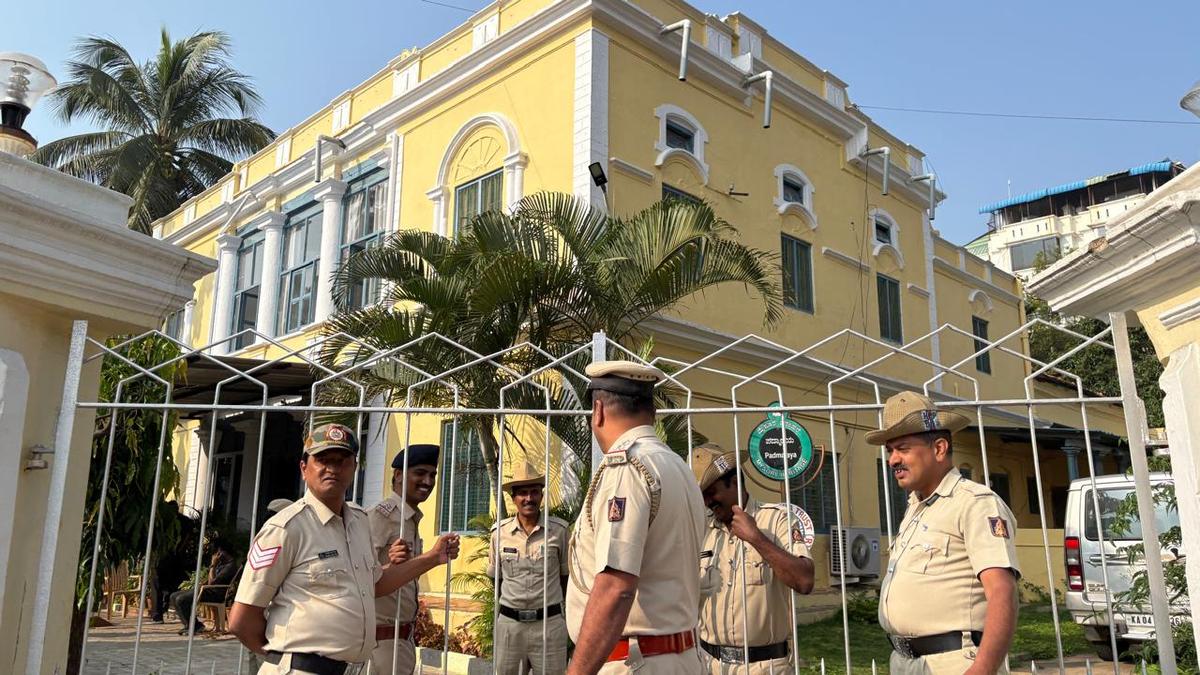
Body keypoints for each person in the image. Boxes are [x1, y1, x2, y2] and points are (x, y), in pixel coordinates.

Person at [227, 424, 460, 675]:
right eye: (323, 460)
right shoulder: (286, 528)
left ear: (354, 468)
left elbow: (375, 583)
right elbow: (242, 620)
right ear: (304, 469)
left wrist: (434, 557)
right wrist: (284, 660)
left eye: (342, 461)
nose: (332, 469)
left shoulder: (358, 522)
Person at [566, 360, 707, 674]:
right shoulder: (676, 467)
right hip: (680, 656)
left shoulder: (627, 469)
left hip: (636, 661)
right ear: (652, 413)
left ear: (598, 410)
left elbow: (616, 587)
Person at [871, 392, 1021, 675]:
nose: (892, 460)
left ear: (939, 448)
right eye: (890, 450)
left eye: (902, 448)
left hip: (953, 662)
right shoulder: (916, 508)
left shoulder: (974, 503)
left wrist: (984, 668)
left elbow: (1003, 592)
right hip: (906, 662)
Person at [691, 443, 815, 674]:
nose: (707, 501)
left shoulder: (777, 520)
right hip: (710, 665)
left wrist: (756, 538)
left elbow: (804, 580)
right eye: (702, 495)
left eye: (711, 492)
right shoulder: (701, 530)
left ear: (736, 481)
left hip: (765, 666)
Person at [368, 443, 446, 675]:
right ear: (399, 475)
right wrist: (389, 566)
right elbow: (360, 576)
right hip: (379, 642)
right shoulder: (382, 516)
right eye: (420, 473)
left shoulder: (410, 519)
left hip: (402, 639)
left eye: (432, 475)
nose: (428, 481)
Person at [487, 462, 570, 675]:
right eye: (522, 493)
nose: (529, 498)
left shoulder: (558, 531)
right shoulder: (499, 533)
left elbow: (565, 578)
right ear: (514, 498)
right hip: (510, 627)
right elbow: (496, 579)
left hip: (548, 626)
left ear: (541, 496)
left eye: (534, 492)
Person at [170, 543, 237, 634]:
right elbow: (210, 581)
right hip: (208, 590)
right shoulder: (222, 564)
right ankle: (192, 625)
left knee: (181, 599)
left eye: (218, 552)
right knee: (173, 596)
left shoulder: (230, 566)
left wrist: (213, 565)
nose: (216, 555)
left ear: (224, 552)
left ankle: (194, 626)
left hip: (215, 594)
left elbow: (212, 582)